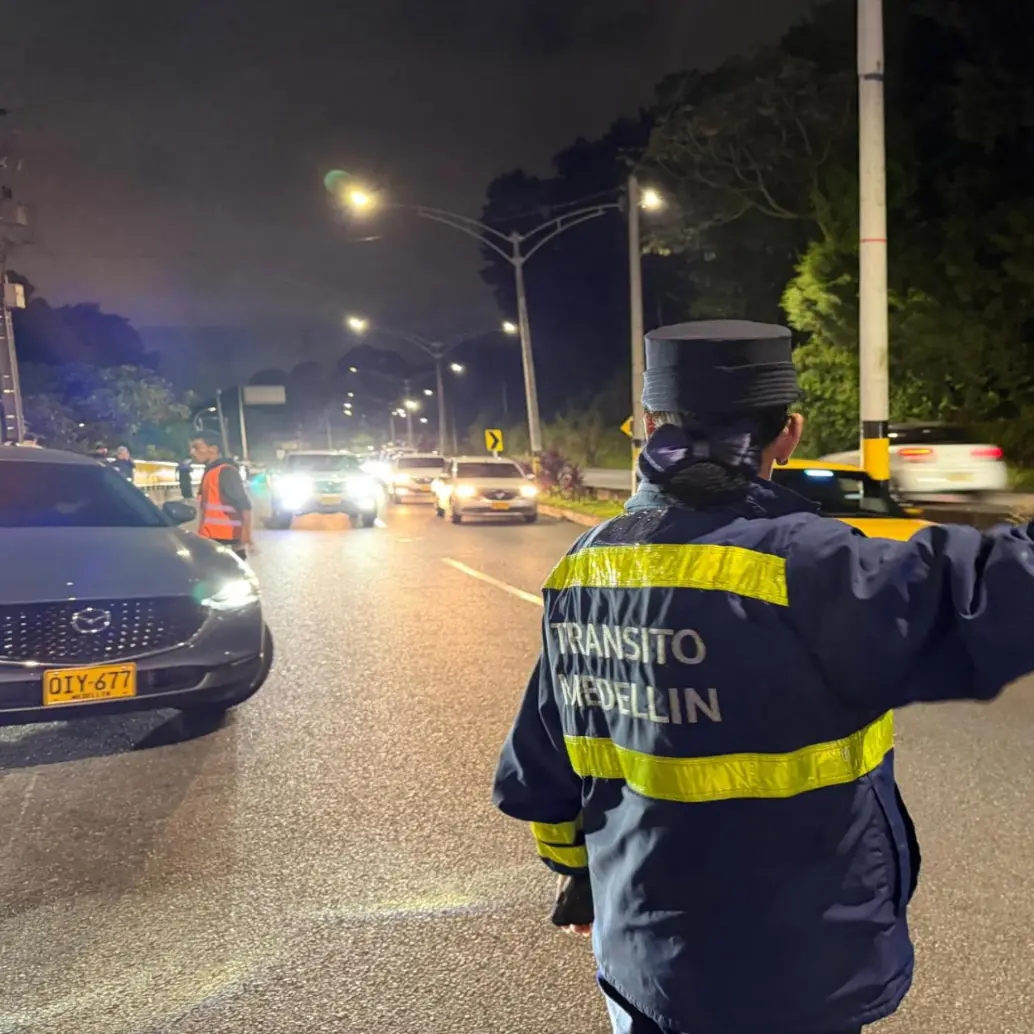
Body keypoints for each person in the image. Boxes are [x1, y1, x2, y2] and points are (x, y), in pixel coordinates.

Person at [493, 319, 1034, 1034]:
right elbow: (1000, 593)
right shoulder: (812, 568)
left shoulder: (586, 569)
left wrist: (586, 883)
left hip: (642, 969)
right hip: (792, 979)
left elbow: (544, 776)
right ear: (790, 434)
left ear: (649, 425)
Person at [189, 430, 253, 559]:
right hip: (213, 540)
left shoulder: (225, 472)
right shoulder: (211, 471)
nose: (192, 452)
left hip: (227, 542)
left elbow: (244, 505)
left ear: (213, 449)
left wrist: (246, 536)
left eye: (196, 448)